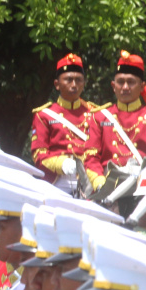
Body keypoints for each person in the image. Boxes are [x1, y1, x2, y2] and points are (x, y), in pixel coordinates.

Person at [84, 51, 146, 191]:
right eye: (120, 82)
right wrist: (99, 182)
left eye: (131, 82)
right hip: (107, 185)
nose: (125, 87)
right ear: (113, 86)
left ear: (142, 86)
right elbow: (90, 157)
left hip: (141, 188)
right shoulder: (99, 117)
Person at [30, 53, 96, 194]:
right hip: (57, 180)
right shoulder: (44, 115)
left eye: (79, 80)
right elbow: (39, 155)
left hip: (89, 179)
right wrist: (62, 164)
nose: (74, 85)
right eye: (68, 79)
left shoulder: (95, 113)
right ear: (57, 84)